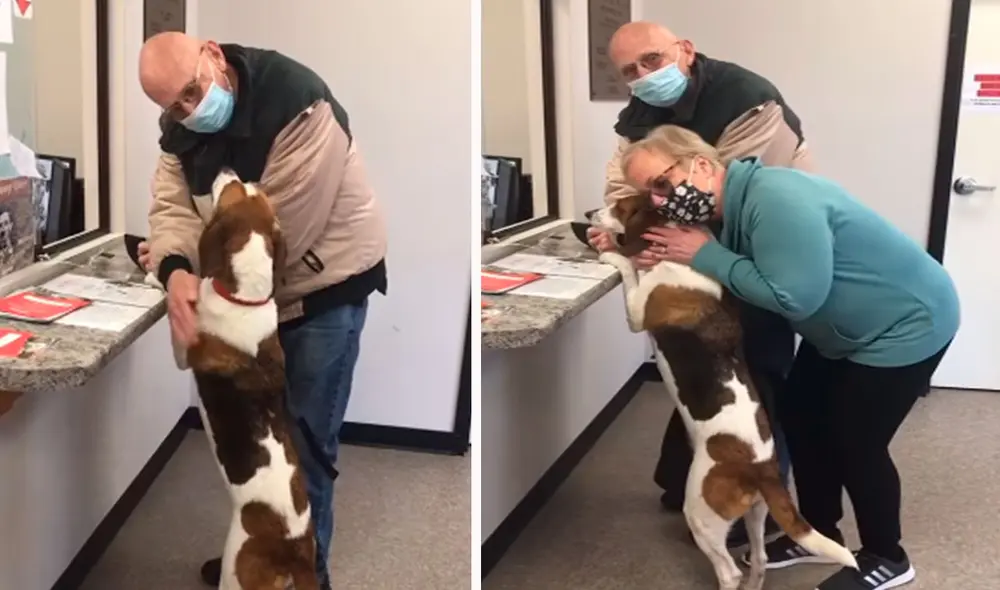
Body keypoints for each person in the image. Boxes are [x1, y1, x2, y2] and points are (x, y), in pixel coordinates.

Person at [620, 124, 959, 590]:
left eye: (661, 184)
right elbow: (724, 265)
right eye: (647, 193)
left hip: (905, 325)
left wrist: (706, 256)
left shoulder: (777, 199)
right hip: (842, 333)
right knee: (801, 418)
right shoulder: (725, 207)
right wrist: (629, 245)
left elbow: (793, 298)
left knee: (855, 442)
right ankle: (817, 530)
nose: (658, 201)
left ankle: (887, 555)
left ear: (700, 165)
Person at [136, 33, 388, 589]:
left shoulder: (300, 104)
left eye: (191, 92)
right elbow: (172, 204)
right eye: (171, 105)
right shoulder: (179, 128)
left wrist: (184, 261)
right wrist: (175, 265)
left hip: (322, 290)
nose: (186, 111)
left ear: (214, 55)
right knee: (259, 453)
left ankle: (306, 576)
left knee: (303, 455)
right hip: (249, 306)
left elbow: (268, 238)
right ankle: (262, 550)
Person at [586, 20, 808, 550]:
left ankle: (769, 507)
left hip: (759, 240)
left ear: (684, 50)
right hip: (697, 246)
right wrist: (625, 222)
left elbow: (713, 193)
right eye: (630, 71)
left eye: (652, 60)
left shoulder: (750, 101)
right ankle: (682, 482)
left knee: (760, 371)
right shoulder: (639, 115)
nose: (643, 76)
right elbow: (627, 182)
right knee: (706, 364)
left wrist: (639, 231)